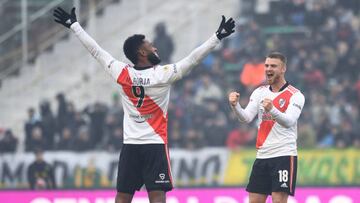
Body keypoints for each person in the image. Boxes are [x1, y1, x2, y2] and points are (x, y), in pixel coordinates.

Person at [53, 7, 235, 203]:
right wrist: (217, 37)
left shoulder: (122, 73)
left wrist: (74, 26)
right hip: (154, 146)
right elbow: (193, 59)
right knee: (157, 195)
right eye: (150, 45)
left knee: (123, 196)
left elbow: (96, 51)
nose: (155, 47)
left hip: (130, 145)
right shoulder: (162, 74)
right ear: (141, 51)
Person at [228, 52, 305, 203]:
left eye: (273, 66)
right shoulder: (259, 92)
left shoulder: (295, 95)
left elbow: (289, 121)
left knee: (278, 200)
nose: (269, 69)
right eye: (267, 65)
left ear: (283, 69)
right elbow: (246, 118)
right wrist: (235, 106)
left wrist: (272, 109)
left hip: (284, 155)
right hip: (262, 156)